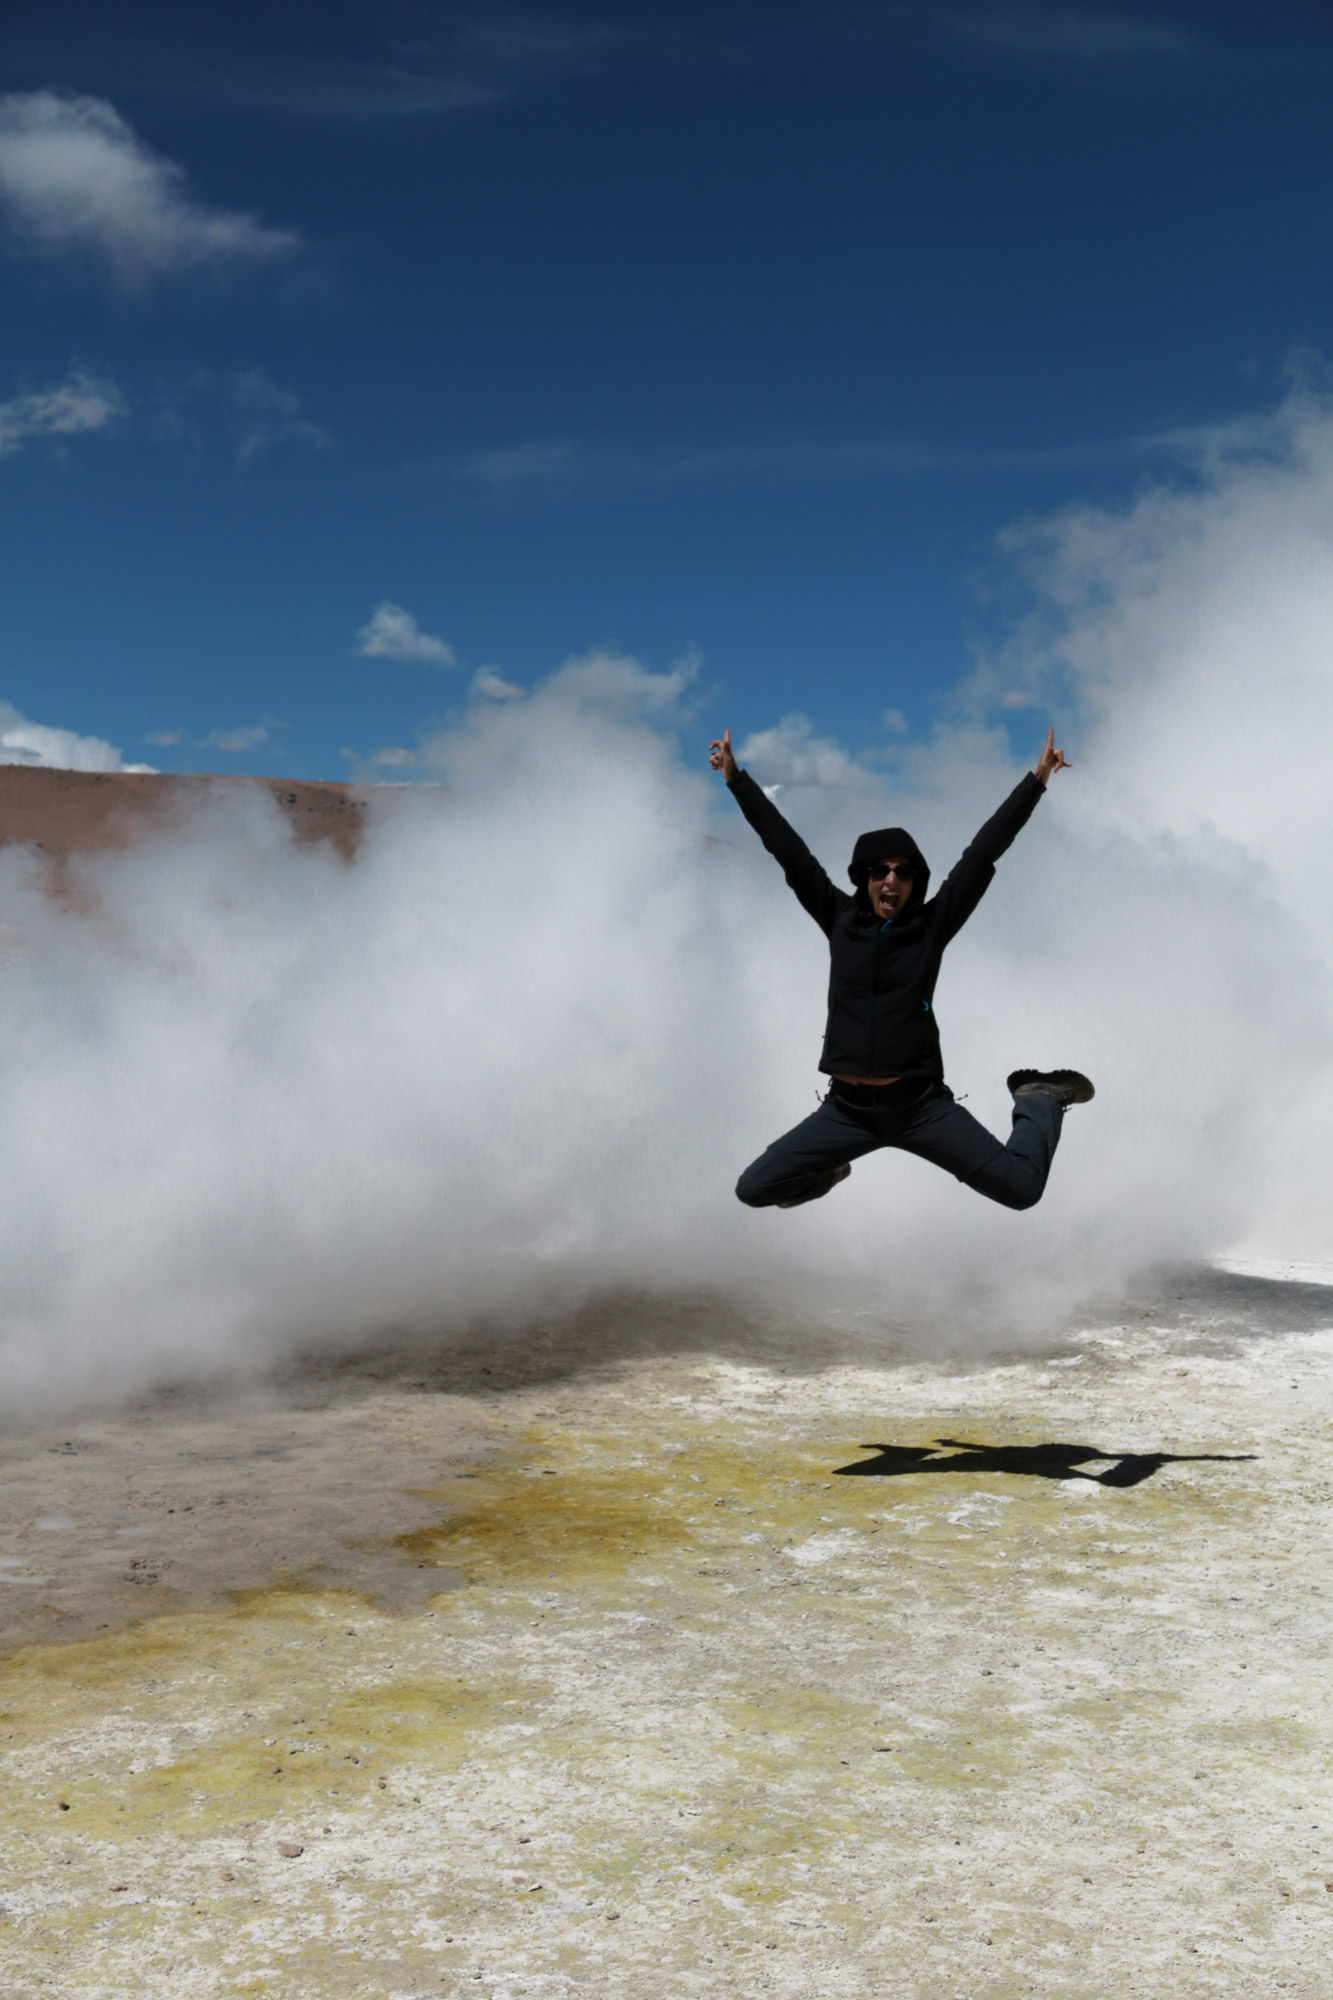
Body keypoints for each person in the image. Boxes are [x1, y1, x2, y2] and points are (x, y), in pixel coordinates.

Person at [708, 725, 1093, 1212]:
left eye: (904, 872)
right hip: (846, 1111)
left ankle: (1037, 1096)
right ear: (864, 878)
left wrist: (1037, 781)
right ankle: (827, 1171)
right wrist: (735, 779)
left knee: (1022, 1189)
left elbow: (984, 852)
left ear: (916, 880)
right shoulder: (838, 918)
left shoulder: (932, 926)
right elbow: (786, 848)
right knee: (754, 1188)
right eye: (880, 871)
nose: (892, 880)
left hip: (919, 1108)